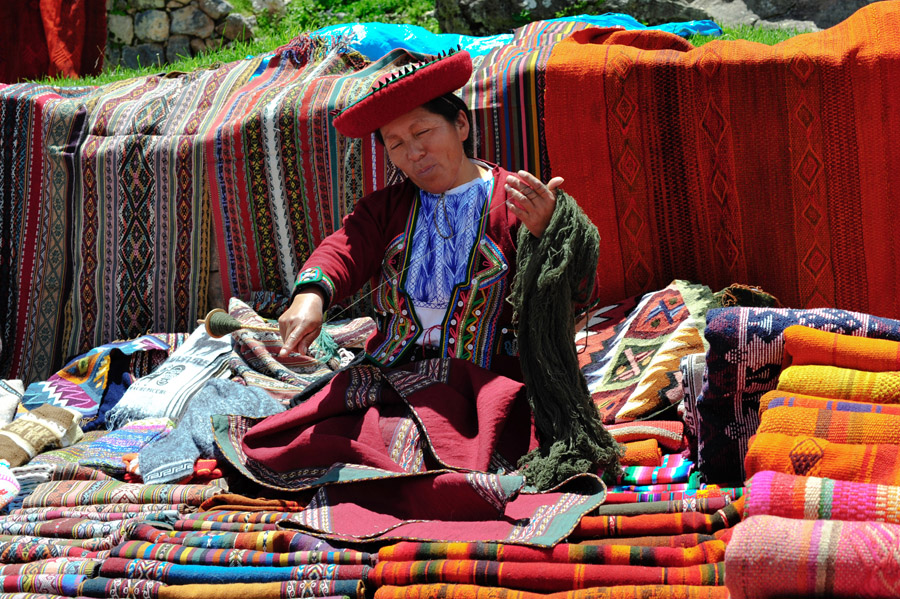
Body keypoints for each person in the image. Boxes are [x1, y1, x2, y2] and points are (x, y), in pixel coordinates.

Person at [276, 48, 595, 381]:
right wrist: (309, 297)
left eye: (422, 132)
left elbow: (581, 297)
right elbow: (343, 250)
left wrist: (549, 232)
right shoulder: (383, 210)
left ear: (460, 124)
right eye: (396, 144)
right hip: (391, 373)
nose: (414, 153)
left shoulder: (520, 202)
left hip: (492, 383)